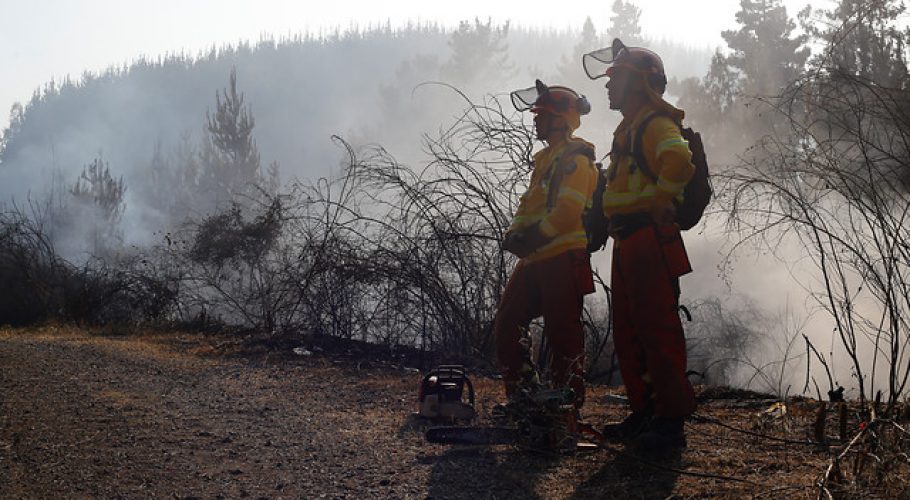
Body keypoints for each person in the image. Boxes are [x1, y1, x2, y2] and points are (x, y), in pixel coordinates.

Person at [583, 39, 697, 450]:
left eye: (616, 79)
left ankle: (670, 422)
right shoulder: (631, 127)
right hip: (628, 239)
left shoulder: (654, 124)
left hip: (649, 238)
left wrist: (663, 200)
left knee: (656, 326)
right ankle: (645, 411)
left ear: (639, 84)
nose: (609, 87)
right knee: (630, 329)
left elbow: (680, 162)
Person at [496, 80, 598, 414]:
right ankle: (524, 397)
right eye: (536, 114)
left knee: (563, 333)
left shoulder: (576, 160)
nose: (535, 121)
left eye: (543, 115)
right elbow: (528, 206)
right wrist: (514, 234)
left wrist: (534, 238)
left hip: (562, 257)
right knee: (507, 323)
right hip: (535, 258)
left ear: (563, 119)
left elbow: (568, 212)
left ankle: (565, 406)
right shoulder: (545, 160)